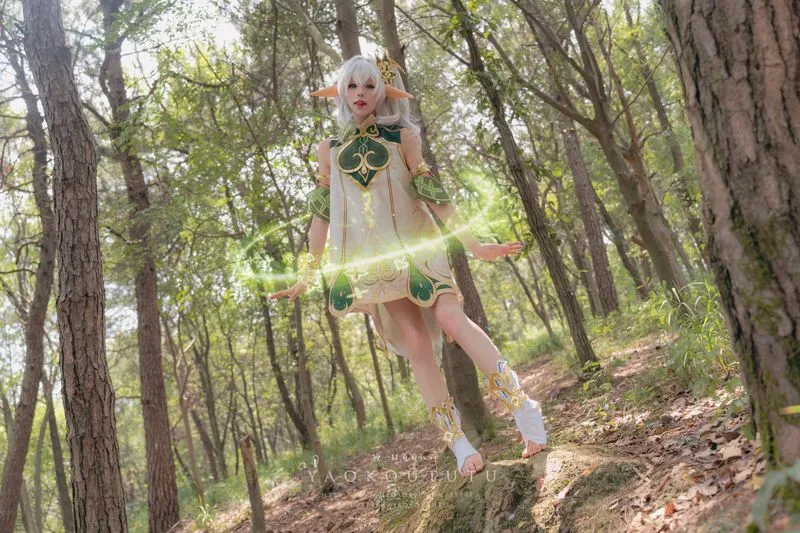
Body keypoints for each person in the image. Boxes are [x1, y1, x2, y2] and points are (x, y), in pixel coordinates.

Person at [270, 55, 546, 477]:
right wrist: (306, 274)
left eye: (368, 86)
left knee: (451, 318)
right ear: (341, 92)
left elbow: (435, 195)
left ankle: (523, 407)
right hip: (376, 261)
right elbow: (321, 216)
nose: (359, 94)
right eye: (351, 86)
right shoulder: (329, 150)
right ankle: (458, 442)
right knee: (416, 343)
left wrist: (474, 246)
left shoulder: (404, 137)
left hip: (419, 247)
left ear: (382, 91)